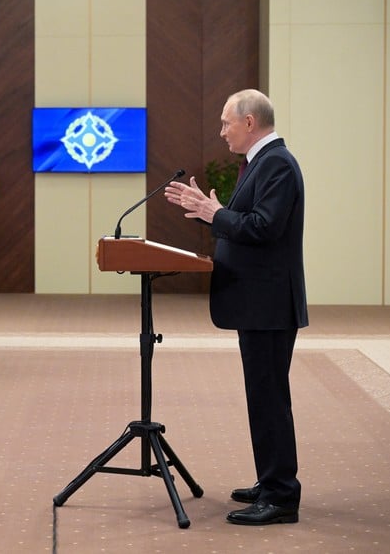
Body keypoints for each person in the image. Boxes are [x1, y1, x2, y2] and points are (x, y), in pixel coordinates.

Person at [164, 89, 307, 526]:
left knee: (269, 398)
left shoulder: (277, 164)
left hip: (269, 304)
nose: (222, 131)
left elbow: (264, 228)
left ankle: (281, 496)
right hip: (257, 302)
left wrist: (215, 213)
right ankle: (271, 481)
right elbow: (249, 223)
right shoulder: (261, 163)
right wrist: (211, 212)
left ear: (249, 122)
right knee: (262, 396)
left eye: (227, 122)